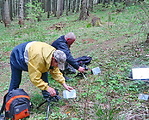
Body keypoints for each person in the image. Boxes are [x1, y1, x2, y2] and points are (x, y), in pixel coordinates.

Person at [9, 41, 73, 98]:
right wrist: (47, 88)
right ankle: (9, 99)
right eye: (57, 64)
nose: (57, 66)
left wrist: (64, 84)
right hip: (18, 55)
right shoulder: (38, 60)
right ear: (53, 59)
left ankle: (47, 95)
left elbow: (55, 70)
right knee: (16, 80)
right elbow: (34, 78)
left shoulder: (54, 54)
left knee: (44, 71)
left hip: (34, 52)